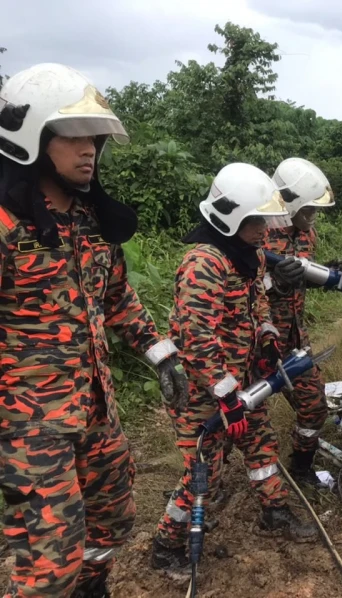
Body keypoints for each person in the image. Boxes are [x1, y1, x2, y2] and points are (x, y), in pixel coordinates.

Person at [0, 63, 188, 597]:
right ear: (31, 139)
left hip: (95, 408)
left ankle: (93, 588)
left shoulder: (88, 224)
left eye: (96, 139)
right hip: (30, 426)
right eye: (75, 136)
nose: (89, 150)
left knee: (113, 519)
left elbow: (117, 299)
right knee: (47, 570)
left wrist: (161, 353)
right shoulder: (6, 227)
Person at [151, 162, 318, 577]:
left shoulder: (249, 255)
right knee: (205, 472)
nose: (265, 228)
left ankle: (274, 511)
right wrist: (226, 396)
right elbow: (196, 337)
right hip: (201, 392)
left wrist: (265, 334)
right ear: (231, 218)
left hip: (240, 381)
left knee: (262, 443)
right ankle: (166, 545)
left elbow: (256, 302)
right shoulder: (204, 262)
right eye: (256, 220)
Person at [263, 157, 335, 483]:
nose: (312, 217)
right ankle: (202, 488)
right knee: (234, 420)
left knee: (315, 405)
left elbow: (303, 277)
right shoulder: (256, 231)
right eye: (308, 210)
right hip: (255, 344)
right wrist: (272, 284)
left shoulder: (308, 236)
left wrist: (328, 275)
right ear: (289, 204)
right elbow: (234, 288)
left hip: (294, 341)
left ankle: (302, 469)